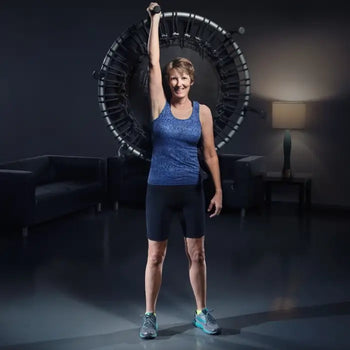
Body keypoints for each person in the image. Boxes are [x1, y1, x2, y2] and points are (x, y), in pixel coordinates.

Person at [140, 2, 223, 339]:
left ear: (191, 80)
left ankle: (202, 312)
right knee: (155, 256)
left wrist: (217, 189)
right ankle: (149, 316)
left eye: (183, 78)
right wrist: (156, 19)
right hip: (159, 188)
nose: (177, 83)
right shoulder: (159, 105)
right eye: (173, 79)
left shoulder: (202, 113)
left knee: (197, 253)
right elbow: (153, 61)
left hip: (192, 189)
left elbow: (210, 153)